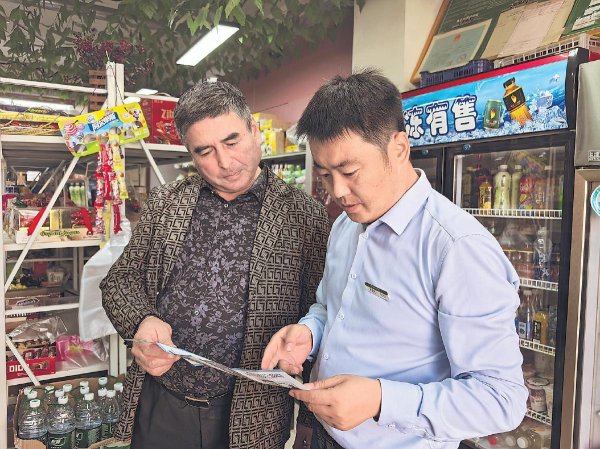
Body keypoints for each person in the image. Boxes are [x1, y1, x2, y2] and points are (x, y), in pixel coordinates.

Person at [261, 70, 528, 449]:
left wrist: (381, 401)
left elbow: (501, 398)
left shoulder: (456, 248)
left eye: (349, 171)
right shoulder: (346, 226)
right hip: (323, 435)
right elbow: (329, 305)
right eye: (325, 174)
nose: (337, 191)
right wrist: (309, 332)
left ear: (399, 148)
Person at [101, 80, 330, 449]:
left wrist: (309, 418)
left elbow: (321, 316)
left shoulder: (305, 217)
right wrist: (141, 320)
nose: (224, 162)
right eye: (205, 151)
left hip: (254, 415)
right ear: (191, 154)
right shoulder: (167, 203)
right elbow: (120, 280)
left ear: (254, 130)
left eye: (232, 142)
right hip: (162, 402)